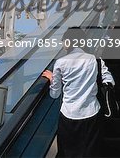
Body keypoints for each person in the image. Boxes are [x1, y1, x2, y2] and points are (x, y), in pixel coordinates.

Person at [42, 27, 115, 157]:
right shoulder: (95, 60)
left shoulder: (60, 63)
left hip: (68, 115)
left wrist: (52, 79)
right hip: (92, 113)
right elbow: (109, 79)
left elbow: (55, 94)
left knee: (69, 153)